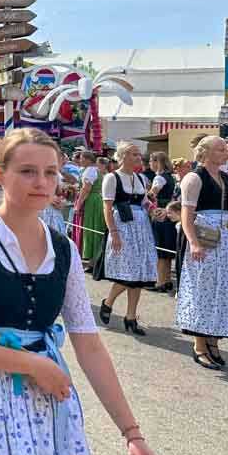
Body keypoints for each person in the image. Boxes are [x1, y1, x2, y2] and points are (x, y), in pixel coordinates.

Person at [0, 128, 165, 455]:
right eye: (27, 171)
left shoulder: (63, 248)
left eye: (50, 172)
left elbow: (89, 344)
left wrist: (132, 435)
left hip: (48, 403)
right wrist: (32, 364)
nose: (42, 182)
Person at [176, 135, 228, 370]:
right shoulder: (194, 177)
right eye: (221, 148)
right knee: (203, 289)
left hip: (226, 241)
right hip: (204, 239)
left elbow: (227, 214)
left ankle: (213, 340)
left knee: (222, 289)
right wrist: (193, 243)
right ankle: (199, 345)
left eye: (225, 148)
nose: (226, 151)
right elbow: (186, 213)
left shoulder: (225, 177)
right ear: (206, 152)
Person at [98, 142, 158, 336]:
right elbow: (107, 208)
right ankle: (108, 303)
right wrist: (114, 233)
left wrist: (152, 209)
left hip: (141, 228)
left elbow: (144, 202)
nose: (139, 158)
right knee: (128, 273)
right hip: (123, 227)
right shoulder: (112, 177)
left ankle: (131, 316)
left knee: (139, 275)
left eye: (139, 155)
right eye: (134, 154)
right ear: (122, 156)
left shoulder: (140, 177)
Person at [146, 152, 177, 293]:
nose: (149, 164)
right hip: (169, 214)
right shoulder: (170, 177)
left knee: (160, 249)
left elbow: (152, 194)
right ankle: (167, 280)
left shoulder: (159, 177)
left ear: (157, 162)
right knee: (166, 249)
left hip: (160, 214)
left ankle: (160, 282)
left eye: (151, 161)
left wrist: (145, 194)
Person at [73, 150, 105, 265]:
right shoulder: (93, 170)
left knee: (90, 227)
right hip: (95, 199)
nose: (79, 160)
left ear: (87, 159)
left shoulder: (90, 171)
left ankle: (93, 260)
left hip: (91, 201)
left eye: (81, 158)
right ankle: (93, 259)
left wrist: (78, 204)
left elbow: (86, 189)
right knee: (93, 227)